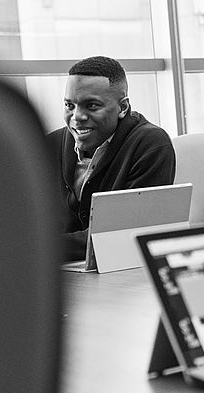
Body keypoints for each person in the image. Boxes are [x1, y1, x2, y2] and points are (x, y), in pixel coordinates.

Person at [45, 56, 176, 260]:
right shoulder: (50, 145)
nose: (77, 117)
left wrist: (40, 246)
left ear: (122, 107)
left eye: (92, 106)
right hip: (60, 272)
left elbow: (124, 235)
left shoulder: (151, 144)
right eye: (69, 105)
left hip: (121, 272)